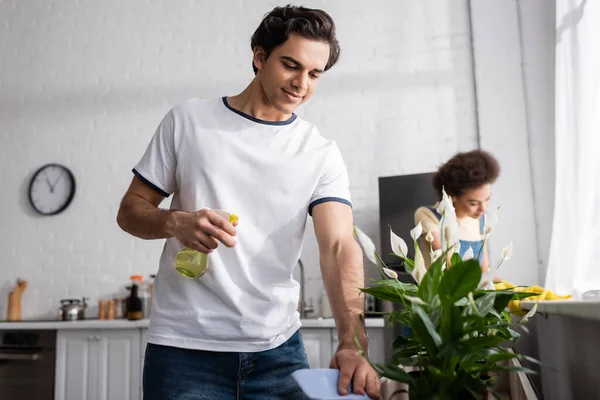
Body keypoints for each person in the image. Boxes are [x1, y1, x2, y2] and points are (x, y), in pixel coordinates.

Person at [116, 5, 380, 400]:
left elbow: (339, 245)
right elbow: (130, 211)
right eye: (291, 65)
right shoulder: (188, 121)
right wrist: (176, 222)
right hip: (184, 352)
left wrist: (353, 343)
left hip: (279, 353)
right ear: (260, 57)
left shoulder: (319, 152)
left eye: (314, 74)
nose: (301, 84)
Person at [414, 149, 501, 271]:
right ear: (452, 196)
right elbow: (449, 264)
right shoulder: (427, 215)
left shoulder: (481, 219)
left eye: (487, 199)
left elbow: (484, 268)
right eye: (474, 203)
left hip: (475, 287)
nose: (483, 208)